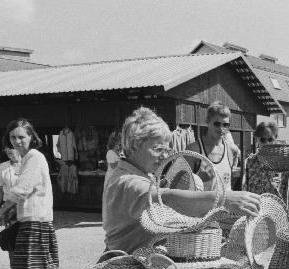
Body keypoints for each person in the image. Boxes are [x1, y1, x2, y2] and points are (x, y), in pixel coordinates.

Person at [102, 107, 260, 254]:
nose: (165, 156)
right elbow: (165, 200)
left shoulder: (140, 173)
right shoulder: (126, 182)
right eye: (157, 149)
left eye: (167, 150)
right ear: (133, 145)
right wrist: (224, 199)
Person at [0, 119, 59, 269]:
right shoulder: (28, 158)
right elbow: (26, 192)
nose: (17, 141)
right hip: (36, 218)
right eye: (13, 137)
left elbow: (22, 189)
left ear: (31, 137)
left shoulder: (33, 157)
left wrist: (1, 212)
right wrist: (9, 212)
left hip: (34, 221)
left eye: (21, 137)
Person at [186, 102, 236, 192]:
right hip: (201, 205)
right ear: (207, 122)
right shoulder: (194, 150)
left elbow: (227, 185)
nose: (221, 129)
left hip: (225, 205)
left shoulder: (230, 150)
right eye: (217, 124)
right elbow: (179, 187)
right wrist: (199, 180)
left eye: (225, 125)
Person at [243, 121, 281, 195]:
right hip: (254, 204)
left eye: (270, 139)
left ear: (275, 139)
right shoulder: (250, 162)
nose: (267, 143)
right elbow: (245, 187)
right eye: (263, 140)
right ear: (256, 139)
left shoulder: (282, 162)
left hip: (273, 204)